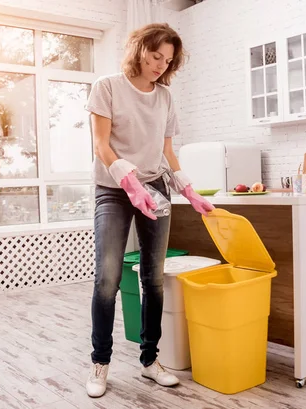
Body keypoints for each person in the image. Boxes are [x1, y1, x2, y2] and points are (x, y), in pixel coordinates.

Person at [84, 23, 214, 398]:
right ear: (140, 49)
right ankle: (100, 362)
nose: (161, 65)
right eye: (156, 55)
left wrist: (188, 190)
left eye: (168, 60)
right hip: (113, 188)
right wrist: (129, 183)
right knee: (108, 276)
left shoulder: (166, 97)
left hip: (155, 188)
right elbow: (101, 146)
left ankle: (149, 360)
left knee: (154, 278)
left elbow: (168, 153)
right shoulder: (107, 87)